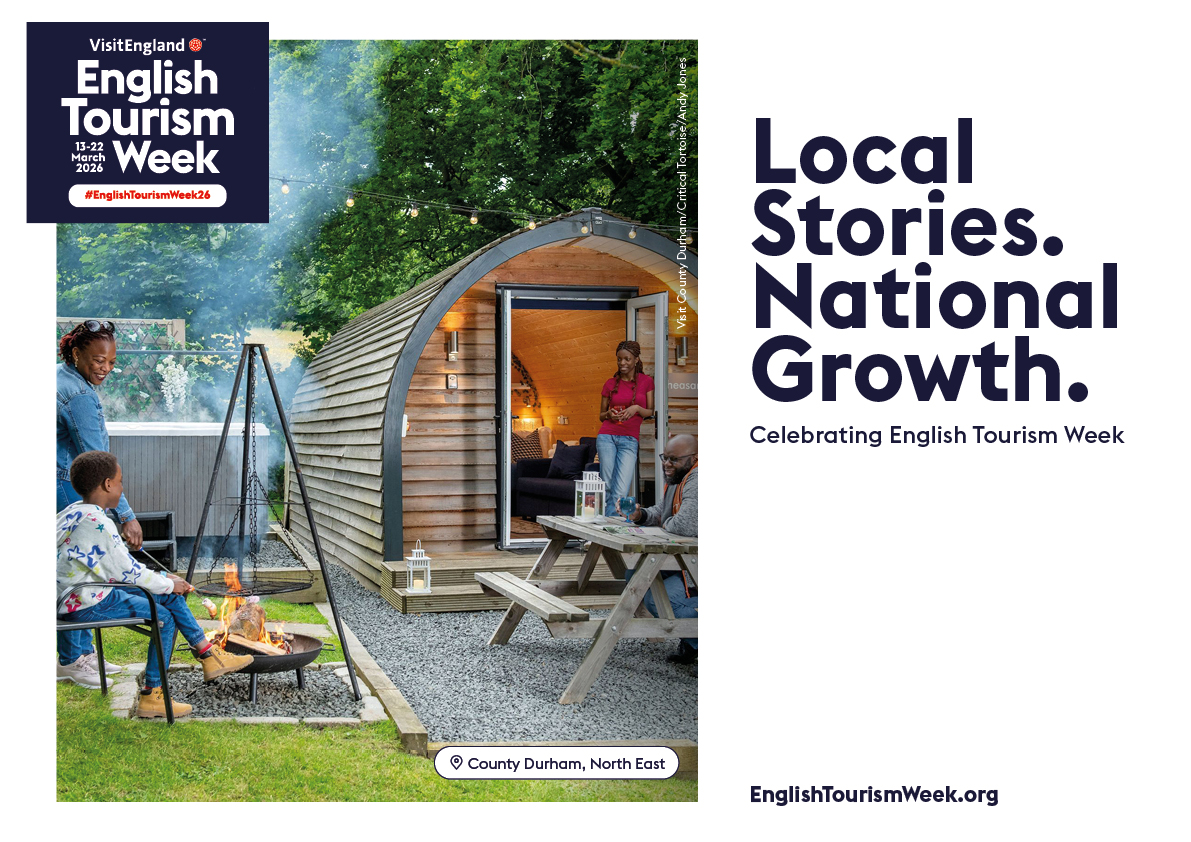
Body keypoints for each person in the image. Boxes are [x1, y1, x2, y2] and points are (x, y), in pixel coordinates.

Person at [57, 451, 254, 717]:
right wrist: (169, 583)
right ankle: (152, 695)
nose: (122, 487)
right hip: (85, 601)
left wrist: (166, 581)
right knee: (163, 618)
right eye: (120, 481)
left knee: (169, 598)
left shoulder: (73, 512)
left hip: (82, 592)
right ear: (107, 485)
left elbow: (116, 567)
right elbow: (127, 572)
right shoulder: (99, 523)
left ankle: (208, 655)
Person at [56, 320, 142, 684]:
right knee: (82, 573)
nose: (105, 368)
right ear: (76, 353)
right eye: (97, 360)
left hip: (57, 484)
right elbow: (98, 461)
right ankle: (74, 660)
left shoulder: (61, 378)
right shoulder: (78, 395)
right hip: (65, 487)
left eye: (110, 362)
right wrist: (126, 515)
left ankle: (82, 654)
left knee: (72, 569)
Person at [618, 433, 698, 664]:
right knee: (636, 574)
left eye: (674, 459)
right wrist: (639, 515)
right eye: (665, 457)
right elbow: (663, 512)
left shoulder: (699, 478)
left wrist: (665, 521)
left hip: (695, 565)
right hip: (682, 558)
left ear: (693, 458)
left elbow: (685, 524)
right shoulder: (678, 480)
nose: (666, 464)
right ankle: (691, 641)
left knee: (658, 598)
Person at [596, 340, 654, 517]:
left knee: (621, 488)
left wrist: (636, 408)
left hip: (629, 439)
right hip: (607, 436)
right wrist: (610, 414)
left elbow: (650, 411)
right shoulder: (609, 383)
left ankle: (610, 529)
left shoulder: (646, 382)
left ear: (636, 359)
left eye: (627, 359)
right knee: (606, 484)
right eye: (619, 359)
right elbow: (601, 415)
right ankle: (603, 528)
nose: (622, 363)